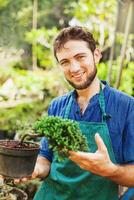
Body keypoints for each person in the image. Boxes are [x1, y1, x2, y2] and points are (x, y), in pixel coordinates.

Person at [15, 26, 134, 200]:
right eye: (65, 62)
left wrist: (110, 170)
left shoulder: (126, 106)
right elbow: (46, 158)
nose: (74, 68)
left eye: (80, 57)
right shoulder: (57, 106)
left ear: (96, 55)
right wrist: (34, 169)